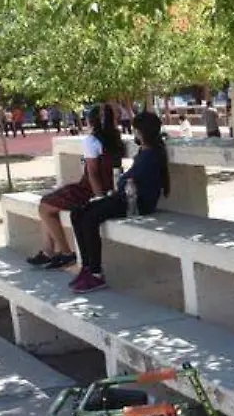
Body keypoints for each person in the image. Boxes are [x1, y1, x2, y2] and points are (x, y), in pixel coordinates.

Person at [68, 112, 170, 294]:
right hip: (126, 197)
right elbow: (127, 179)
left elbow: (126, 180)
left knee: (90, 218)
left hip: (136, 204)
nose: (134, 134)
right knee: (77, 212)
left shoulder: (151, 154)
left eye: (135, 130)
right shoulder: (145, 151)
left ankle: (96, 273)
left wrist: (122, 180)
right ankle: (87, 266)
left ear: (141, 132)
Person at [28, 105, 126, 270]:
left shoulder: (92, 140)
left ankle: (66, 253)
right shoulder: (116, 139)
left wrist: (99, 200)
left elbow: (93, 174)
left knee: (45, 206)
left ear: (91, 120)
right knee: (48, 203)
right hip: (109, 187)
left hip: (91, 189)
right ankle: (48, 252)